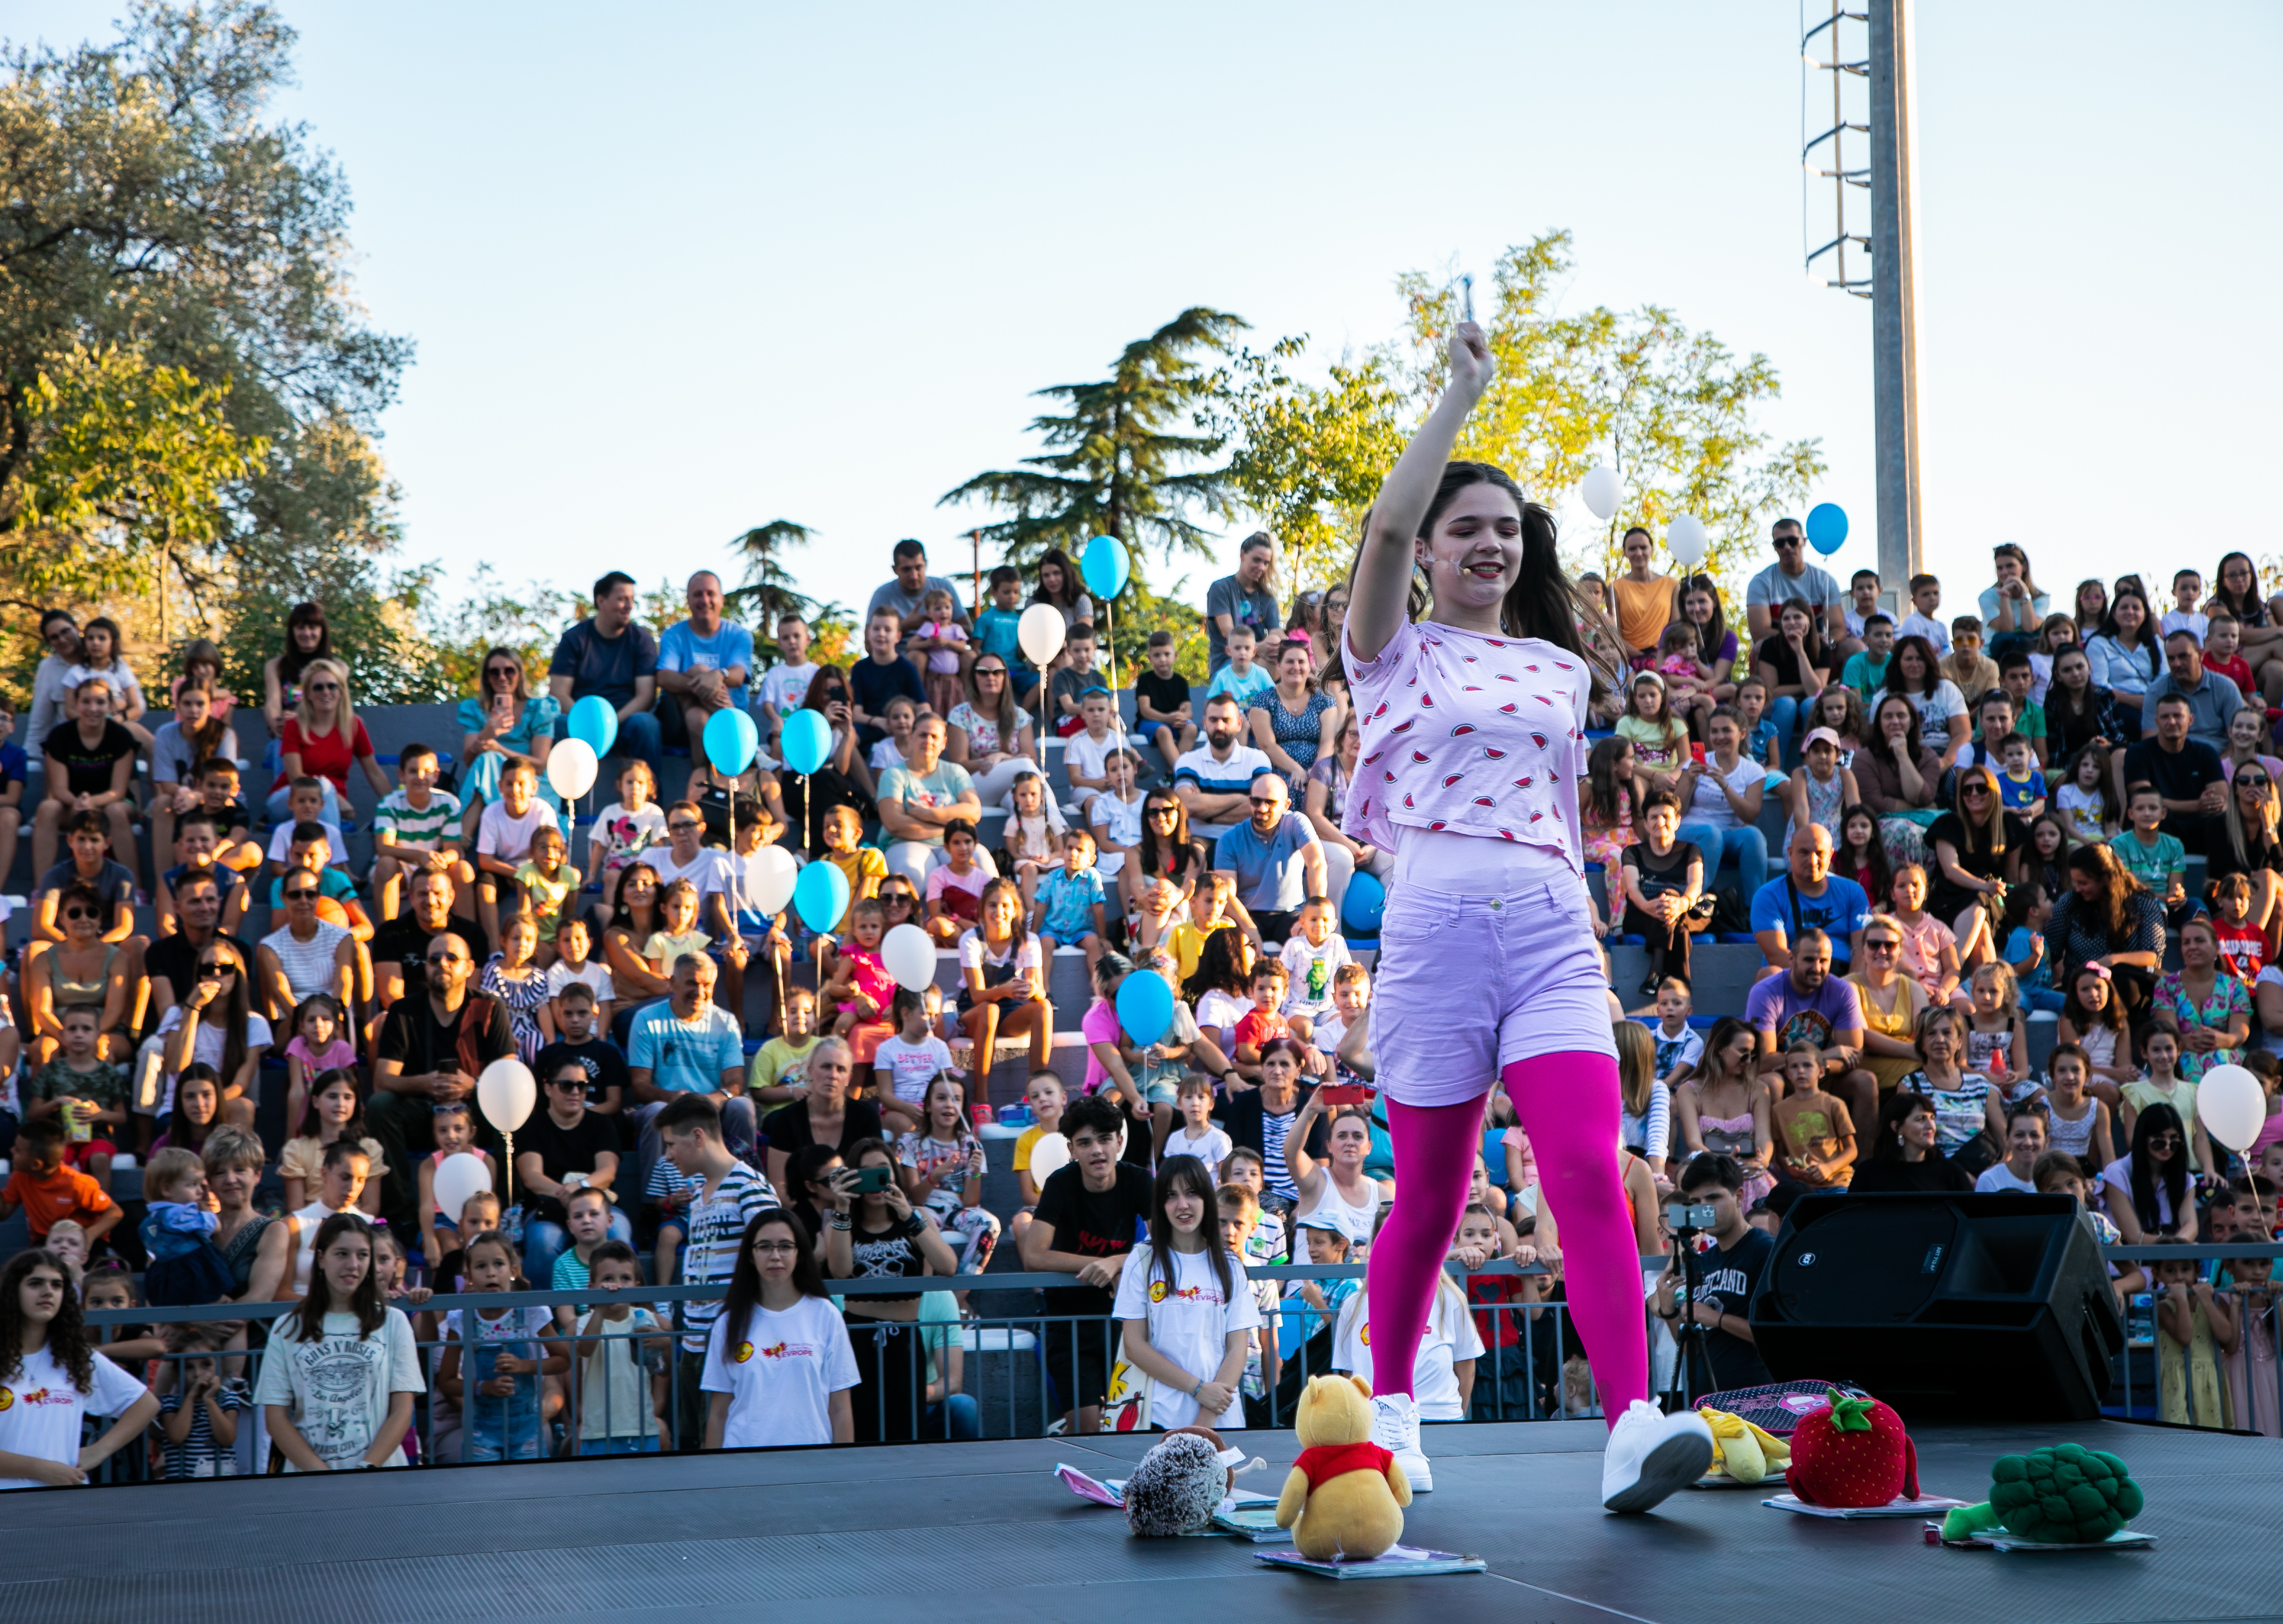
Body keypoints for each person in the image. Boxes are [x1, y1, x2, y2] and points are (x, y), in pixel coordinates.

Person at [1337, 315, 1709, 1508]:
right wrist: (1461, 394)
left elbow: (1558, 809)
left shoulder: (1559, 669)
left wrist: (1587, 933)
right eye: (1467, 529)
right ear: (1432, 551)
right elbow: (1384, 522)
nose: (1488, 545)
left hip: (1550, 927)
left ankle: (1628, 1424)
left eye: (1506, 528)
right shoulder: (1389, 649)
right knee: (1434, 1199)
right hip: (1433, 927)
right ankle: (1391, 1406)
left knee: (1589, 1172)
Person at [1018, 1094, 1154, 1433]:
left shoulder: (1138, 1180)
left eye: (1105, 1139)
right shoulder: (1060, 1184)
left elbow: (1165, 1244)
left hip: (1125, 1323)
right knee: (1089, 1431)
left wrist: (1118, 1263)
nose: (1096, 1150)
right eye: (1085, 1142)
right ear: (1071, 1150)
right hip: (1070, 1325)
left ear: (1119, 1142)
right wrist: (1100, 1263)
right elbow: (1034, 1255)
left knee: (1127, 1429)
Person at [366, 932, 517, 1235]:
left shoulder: (490, 1009)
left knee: (510, 1112)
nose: (442, 964)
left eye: (452, 958)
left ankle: (505, 1213)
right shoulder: (404, 1011)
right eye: (434, 959)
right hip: (424, 1111)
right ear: (425, 967)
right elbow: (383, 1079)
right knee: (380, 1106)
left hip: (474, 1110)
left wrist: (472, 1084)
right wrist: (425, 1083)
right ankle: (404, 1216)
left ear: (469, 967)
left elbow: (508, 1077)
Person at [253, 1212, 424, 1471]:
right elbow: (275, 1417)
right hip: (309, 1481)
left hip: (379, 1476)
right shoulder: (287, 1327)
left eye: (363, 1255)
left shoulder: (395, 1322)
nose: (354, 1264)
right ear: (321, 1258)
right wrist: (320, 1474)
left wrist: (367, 1468)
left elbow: (402, 1410)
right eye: (342, 1254)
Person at [1112, 1154, 1259, 1430]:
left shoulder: (1230, 1265)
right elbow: (1134, 1345)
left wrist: (1205, 1420)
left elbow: (1237, 1347)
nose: (1182, 1205)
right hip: (1158, 1417)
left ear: (1206, 1198)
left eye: (1192, 1193)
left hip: (1220, 1418)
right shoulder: (1143, 1259)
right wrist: (1197, 1389)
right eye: (1171, 1195)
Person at [0, 1249, 158, 1489]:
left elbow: (146, 1404)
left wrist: (99, 1450)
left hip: (67, 1505)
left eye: (57, 1285)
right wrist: (40, 1469)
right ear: (13, 1291)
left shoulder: (76, 1356)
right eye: (35, 1283)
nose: (48, 1292)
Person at [702, 1209, 858, 1449]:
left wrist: (842, 1472)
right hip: (744, 1464)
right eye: (764, 1247)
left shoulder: (826, 1315)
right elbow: (718, 1414)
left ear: (800, 1254)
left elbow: (840, 1409)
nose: (775, 1256)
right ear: (751, 1256)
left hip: (812, 1464)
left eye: (785, 1246)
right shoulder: (728, 1323)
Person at [1651, 1153, 1776, 1394]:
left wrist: (1715, 1318)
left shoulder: (1763, 1249)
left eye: (1713, 1198)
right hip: (1710, 1401)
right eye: (1695, 1201)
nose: (1704, 1208)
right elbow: (1690, 1349)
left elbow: (1772, 1336)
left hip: (1755, 1397)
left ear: (1739, 1197)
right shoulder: (1702, 1261)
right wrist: (1669, 1310)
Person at [628, 953, 755, 1182]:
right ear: (673, 984)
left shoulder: (725, 1022)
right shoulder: (646, 1019)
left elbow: (736, 1082)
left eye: (706, 985)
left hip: (711, 1108)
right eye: (691, 983)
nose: (700, 992)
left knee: (742, 1106)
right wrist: (673, 1098)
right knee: (656, 1110)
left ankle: (743, 1184)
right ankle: (653, 1204)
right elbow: (639, 1086)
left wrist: (715, 1099)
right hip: (666, 1105)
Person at [517, 1057, 633, 1287]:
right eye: (567, 1085)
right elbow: (533, 1178)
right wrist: (567, 1196)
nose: (576, 1092)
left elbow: (607, 1172)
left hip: (597, 1206)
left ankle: (621, 1314)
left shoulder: (601, 1124)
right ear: (548, 1088)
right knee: (544, 1243)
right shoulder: (531, 1127)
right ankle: (544, 1318)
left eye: (582, 1086)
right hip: (547, 1209)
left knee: (617, 1235)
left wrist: (579, 1190)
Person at [548, 570, 662, 770]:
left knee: (647, 724)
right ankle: (564, 800)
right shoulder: (574, 639)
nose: (629, 606)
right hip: (581, 721)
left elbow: (646, 696)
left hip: (624, 721)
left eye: (632, 600)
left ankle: (653, 798)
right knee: (559, 724)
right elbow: (558, 693)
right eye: (622, 599)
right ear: (601, 601)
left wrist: (609, 724)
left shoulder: (642, 640)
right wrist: (589, 724)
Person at [32, 680, 138, 881]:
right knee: (47, 808)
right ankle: (41, 888)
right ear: (76, 704)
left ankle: (135, 888)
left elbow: (118, 791)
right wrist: (77, 803)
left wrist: (92, 803)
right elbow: (59, 788)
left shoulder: (121, 736)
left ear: (110, 706)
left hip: (113, 805)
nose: (93, 709)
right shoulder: (60, 736)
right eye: (86, 702)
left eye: (100, 702)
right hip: (72, 804)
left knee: (115, 811)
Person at [1213, 773, 1326, 946]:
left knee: (1309, 941)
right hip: (1247, 914)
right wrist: (1250, 929)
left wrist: (1313, 917)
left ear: (1286, 805)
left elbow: (1316, 864)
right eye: (1256, 801)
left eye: (1270, 802)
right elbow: (1227, 894)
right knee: (1236, 945)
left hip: (1291, 914)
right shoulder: (1229, 839)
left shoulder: (1296, 822)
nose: (1262, 808)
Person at [456, 646, 561, 831]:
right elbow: (468, 761)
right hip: (496, 782)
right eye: (494, 672)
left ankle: (461, 840)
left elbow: (540, 765)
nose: (502, 677)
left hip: (531, 783)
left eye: (509, 671)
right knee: (485, 761)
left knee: (489, 759)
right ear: (487, 678)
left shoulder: (539, 709)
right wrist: (487, 732)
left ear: (519, 674)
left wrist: (499, 749)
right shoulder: (475, 710)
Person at [1751, 824, 1871, 976]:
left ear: (1831, 855)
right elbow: (1777, 954)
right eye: (1804, 853)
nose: (1812, 860)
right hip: (1795, 977)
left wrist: (1848, 986)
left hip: (1845, 977)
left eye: (1820, 853)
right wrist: (1818, 985)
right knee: (1768, 974)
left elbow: (1861, 947)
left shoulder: (1853, 892)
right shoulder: (1768, 896)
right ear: (1790, 853)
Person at [2118, 693, 2228, 856]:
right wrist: (2197, 806)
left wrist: (2210, 806)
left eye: (2178, 716)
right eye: (2165, 717)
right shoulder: (2138, 753)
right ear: (2156, 722)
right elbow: (2144, 801)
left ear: (2190, 720)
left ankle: (2218, 878)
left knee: (2224, 820)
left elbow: (2220, 799)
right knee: (2156, 816)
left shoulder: (2205, 752)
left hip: (2198, 823)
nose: (2172, 722)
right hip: (2159, 822)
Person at [656, 570, 754, 746]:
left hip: (708, 716)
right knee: (700, 672)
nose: (705, 600)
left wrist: (718, 676)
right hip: (680, 722)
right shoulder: (673, 635)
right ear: (688, 601)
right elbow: (664, 677)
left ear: (722, 599)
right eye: (698, 595)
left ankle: (732, 732)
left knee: (699, 718)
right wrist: (705, 682)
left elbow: (739, 676)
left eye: (711, 594)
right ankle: (743, 738)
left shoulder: (740, 635)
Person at [1744, 516, 1846, 648]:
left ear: (1804, 541)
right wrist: (1799, 641)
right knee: (1760, 647)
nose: (1787, 547)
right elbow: (1760, 632)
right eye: (1780, 543)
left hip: (1817, 649)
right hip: (1779, 648)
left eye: (1792, 541)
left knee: (1854, 647)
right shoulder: (1761, 582)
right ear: (1775, 547)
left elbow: (1838, 628)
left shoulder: (1825, 581)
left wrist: (1829, 641)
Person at [1849, 1092, 1974, 1193]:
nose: (1931, 1126)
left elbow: (1971, 1219)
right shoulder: (1868, 1173)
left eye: (1932, 1118)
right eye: (1920, 1119)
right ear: (1897, 1127)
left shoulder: (1951, 1171)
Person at [2141, 629, 2242, 751]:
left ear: (2200, 655)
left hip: (2218, 759)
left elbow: (2240, 738)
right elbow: (2150, 740)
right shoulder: (2156, 692)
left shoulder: (2226, 688)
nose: (2177, 664)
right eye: (2171, 659)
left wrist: (2219, 766)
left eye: (2183, 657)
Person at [867, 537, 972, 647]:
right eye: (906, 569)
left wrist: (940, 625)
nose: (914, 575)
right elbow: (869, 645)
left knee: (970, 657)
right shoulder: (883, 595)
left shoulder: (944, 588)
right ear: (895, 570)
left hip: (945, 651)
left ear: (926, 564)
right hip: (900, 657)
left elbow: (969, 632)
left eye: (918, 568)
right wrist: (905, 626)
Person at [2085, 587, 2161, 729]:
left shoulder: (2156, 643)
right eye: (2124, 607)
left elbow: (2164, 679)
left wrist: (2149, 702)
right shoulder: (2099, 644)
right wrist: (2138, 702)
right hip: (2116, 708)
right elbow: (2100, 686)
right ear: (2114, 613)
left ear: (2145, 614)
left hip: (2155, 706)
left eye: (2136, 608)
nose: (2130, 612)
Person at [1207, 531, 1280, 674]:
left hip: (1258, 659)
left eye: (1266, 563)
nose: (1262, 568)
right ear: (1243, 555)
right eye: (1257, 560)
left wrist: (1276, 644)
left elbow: (1276, 632)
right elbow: (1227, 631)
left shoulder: (1267, 598)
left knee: (1287, 665)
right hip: (1227, 662)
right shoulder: (1221, 588)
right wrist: (1259, 647)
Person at [262, 601, 332, 734]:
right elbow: (272, 704)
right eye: (301, 628)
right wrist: (278, 726)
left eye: (312, 627)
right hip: (287, 734)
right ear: (292, 632)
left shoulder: (337, 668)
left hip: (323, 735)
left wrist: (302, 720)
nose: (306, 633)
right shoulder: (275, 666)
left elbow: (337, 710)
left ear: (322, 631)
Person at [1979, 543, 2051, 649]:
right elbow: (2007, 630)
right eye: (2000, 568)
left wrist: (2025, 593)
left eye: (2010, 566)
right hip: (1996, 654)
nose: (2005, 572)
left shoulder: (2041, 599)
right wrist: (2004, 596)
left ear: (2024, 567)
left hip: (2028, 653)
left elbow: (2030, 628)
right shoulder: (1987, 597)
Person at [1974, 1107, 2050, 1194]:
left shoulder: (2055, 1179)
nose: (2027, 1143)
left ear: (2047, 1140)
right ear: (2007, 1139)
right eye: (2020, 1135)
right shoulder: (1990, 1180)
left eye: (2035, 1136)